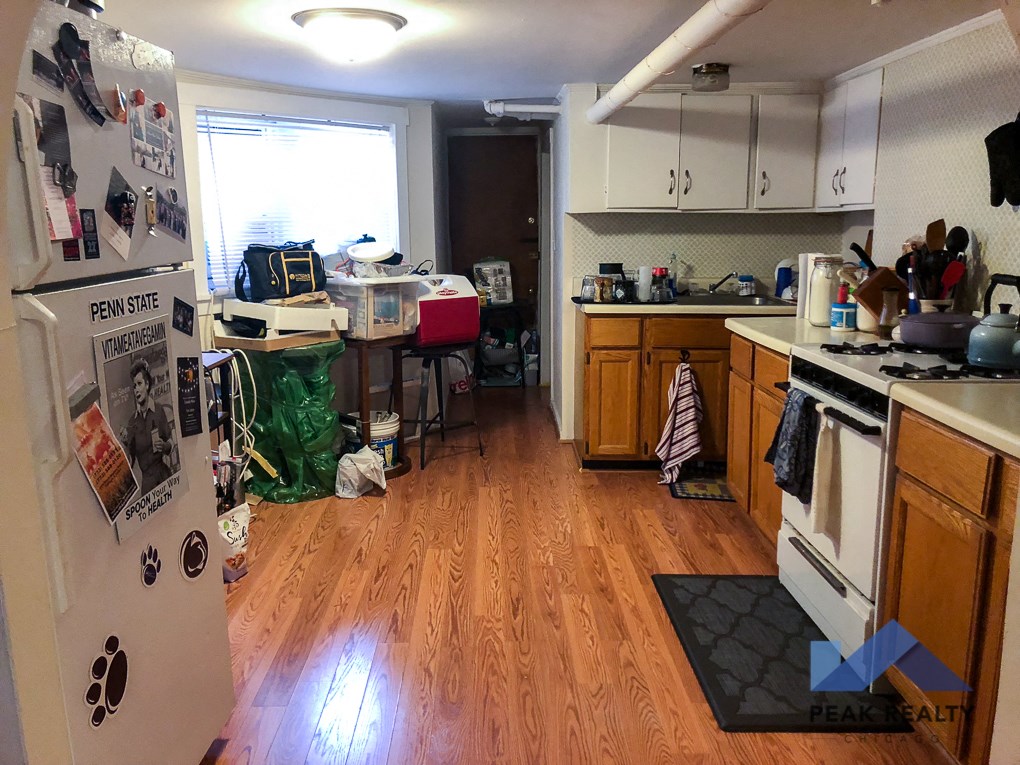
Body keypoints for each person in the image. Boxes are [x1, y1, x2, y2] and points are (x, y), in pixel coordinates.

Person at [120, 358, 173, 494]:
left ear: (147, 384)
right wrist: (125, 443)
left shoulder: (159, 410)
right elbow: (130, 462)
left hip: (164, 476)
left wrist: (165, 446)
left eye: (139, 384)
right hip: (148, 485)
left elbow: (170, 442)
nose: (136, 389)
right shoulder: (132, 422)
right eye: (134, 386)